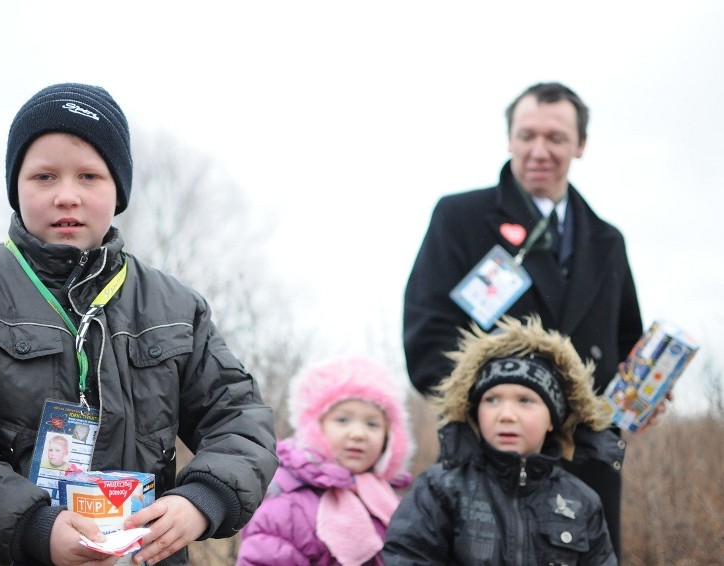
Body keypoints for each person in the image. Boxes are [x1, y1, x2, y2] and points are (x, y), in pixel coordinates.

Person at [0, 83, 278, 566]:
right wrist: (32, 526)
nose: (66, 196)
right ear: (16, 186)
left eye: (89, 176)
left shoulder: (177, 306)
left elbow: (240, 418)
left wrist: (204, 499)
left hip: (136, 556)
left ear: (119, 190)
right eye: (44, 176)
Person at [403, 82, 642, 556]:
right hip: (486, 459)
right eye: (526, 135)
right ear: (509, 138)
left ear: (580, 145)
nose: (539, 151)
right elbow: (426, 337)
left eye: (555, 138)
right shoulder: (460, 218)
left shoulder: (606, 241)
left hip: (584, 463)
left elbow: (625, 343)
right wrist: (493, 415)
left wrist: (643, 391)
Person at [384, 316, 622, 565]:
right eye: (492, 400)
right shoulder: (441, 489)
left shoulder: (581, 501)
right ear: (474, 411)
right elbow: (406, 556)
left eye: (525, 400)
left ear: (553, 418)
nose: (506, 415)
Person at [236, 357, 414, 566]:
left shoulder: (393, 503)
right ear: (316, 428)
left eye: (372, 424)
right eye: (342, 420)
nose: (358, 434)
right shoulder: (289, 506)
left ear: (389, 438)